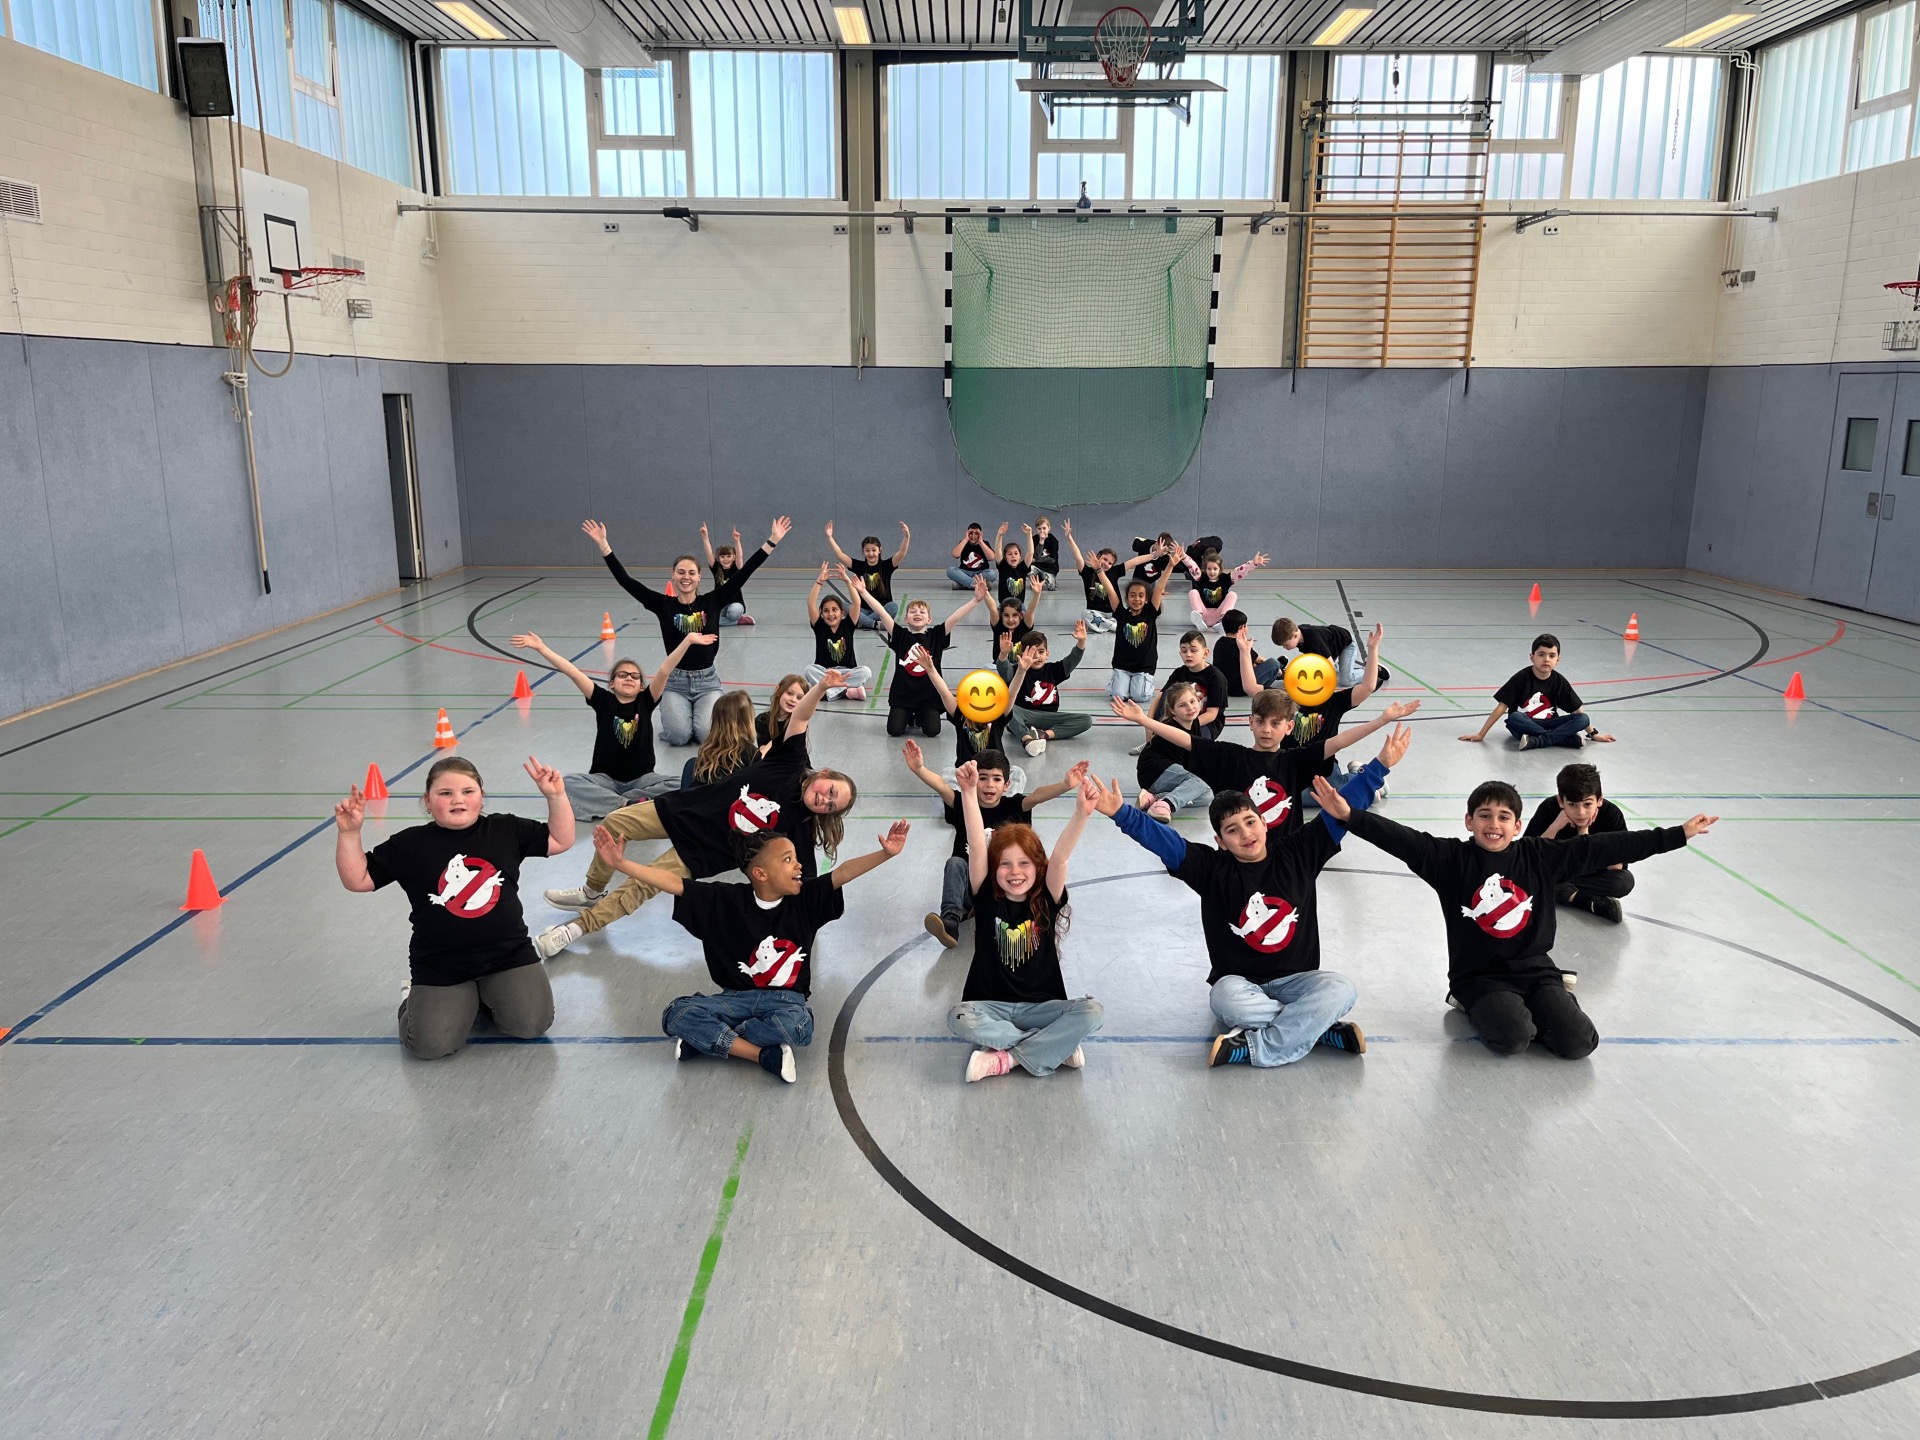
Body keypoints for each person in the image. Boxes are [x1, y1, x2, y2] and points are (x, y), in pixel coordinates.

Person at [1088, 732, 1407, 1068]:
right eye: (1232, 830)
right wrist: (1121, 813)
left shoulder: (1299, 852)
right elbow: (1162, 839)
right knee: (1225, 1000)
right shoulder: (1210, 868)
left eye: (1250, 822)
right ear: (1220, 841)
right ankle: (1316, 1026)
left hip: (1299, 980)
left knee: (1342, 988)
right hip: (1240, 983)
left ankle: (1257, 1047)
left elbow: (1339, 811)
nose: (1245, 834)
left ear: (1264, 823)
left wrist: (1379, 767)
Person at [1340, 782, 1717, 1058]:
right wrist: (1349, 815)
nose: (1494, 824)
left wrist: (1677, 835)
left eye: (1504, 817)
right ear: (1469, 821)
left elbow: (1608, 845)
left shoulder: (1539, 856)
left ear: (1517, 826)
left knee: (1579, 1044)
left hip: (1535, 970)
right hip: (1480, 977)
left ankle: (1550, 1000)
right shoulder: (1449, 859)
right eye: (1485, 815)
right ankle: (1467, 1002)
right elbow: (1400, 838)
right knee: (1513, 1038)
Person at [535, 671, 857, 957]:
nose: (824, 800)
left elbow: (807, 886)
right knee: (616, 821)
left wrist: (806, 923)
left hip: (704, 851)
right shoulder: (790, 761)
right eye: (830, 791)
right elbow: (801, 717)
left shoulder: (799, 828)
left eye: (831, 806)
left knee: (641, 884)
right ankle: (592, 891)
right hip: (685, 810)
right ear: (824, 774)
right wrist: (820, 688)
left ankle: (576, 928)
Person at [591, 820, 910, 1083]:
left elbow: (843, 873)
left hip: (787, 1001)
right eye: (788, 859)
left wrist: (886, 853)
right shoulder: (724, 900)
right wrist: (620, 864)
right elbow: (673, 883)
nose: (799, 864)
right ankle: (760, 1055)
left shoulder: (806, 898)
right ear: (760, 873)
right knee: (677, 1013)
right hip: (734, 999)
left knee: (798, 1025)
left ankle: (713, 1040)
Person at [334, 756, 574, 1060]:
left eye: (467, 791)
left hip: (507, 955)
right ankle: (414, 1002)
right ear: (427, 801)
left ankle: (482, 999)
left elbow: (560, 839)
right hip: (442, 965)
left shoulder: (505, 829)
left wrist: (556, 796)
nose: (457, 799)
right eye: (445, 793)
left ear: (481, 796)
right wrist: (349, 834)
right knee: (430, 1046)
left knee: (531, 1024)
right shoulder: (410, 844)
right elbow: (358, 879)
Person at [946, 760, 1104, 1082]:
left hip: (1042, 1008)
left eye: (1024, 863)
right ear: (994, 869)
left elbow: (1060, 858)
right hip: (989, 1005)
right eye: (1004, 864)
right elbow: (976, 843)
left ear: (1038, 867)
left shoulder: (1047, 898)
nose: (1014, 872)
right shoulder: (986, 896)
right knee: (958, 1017)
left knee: (1092, 1012)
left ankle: (1006, 1059)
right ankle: (1052, 1047)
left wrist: (1081, 814)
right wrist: (968, 792)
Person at [583, 515, 790, 746]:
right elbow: (626, 581)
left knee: (705, 736)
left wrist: (772, 540)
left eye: (691, 573)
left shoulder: (714, 601)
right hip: (675, 682)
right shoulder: (662, 605)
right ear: (673, 575)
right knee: (679, 736)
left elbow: (746, 571)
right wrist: (604, 545)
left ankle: (696, 716)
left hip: (707, 681)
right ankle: (676, 717)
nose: (686, 577)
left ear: (699, 577)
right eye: (681, 572)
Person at [1112, 687, 1421, 835]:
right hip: (1242, 851)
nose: (1267, 730)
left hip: (1287, 852)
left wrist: (1382, 720)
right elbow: (1187, 740)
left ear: (1289, 727)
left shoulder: (1295, 762)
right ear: (1250, 723)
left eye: (1275, 724)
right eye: (1260, 722)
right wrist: (1144, 720)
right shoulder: (1231, 758)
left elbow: (1338, 742)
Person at [509, 628, 712, 821]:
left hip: (643, 780)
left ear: (641, 686)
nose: (629, 678)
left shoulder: (646, 700)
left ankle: (620, 802)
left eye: (635, 676)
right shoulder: (602, 700)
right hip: (605, 780)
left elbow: (665, 670)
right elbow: (573, 673)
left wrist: (687, 641)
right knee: (569, 783)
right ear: (612, 683)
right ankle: (627, 804)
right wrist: (541, 648)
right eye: (622, 675)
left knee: (679, 782)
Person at [904, 740, 1087, 948]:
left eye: (996, 779)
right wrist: (919, 768)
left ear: (1006, 785)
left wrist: (1065, 785)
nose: (989, 784)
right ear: (973, 780)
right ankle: (951, 920)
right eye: (983, 778)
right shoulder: (963, 803)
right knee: (955, 863)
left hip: (1004, 888)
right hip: (973, 888)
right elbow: (941, 786)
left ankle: (1016, 916)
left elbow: (1037, 796)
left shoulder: (1014, 806)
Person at [1249, 623, 1388, 784]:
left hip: (1324, 769)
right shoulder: (1286, 698)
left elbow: (1367, 687)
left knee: (1338, 790)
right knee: (1297, 794)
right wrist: (1245, 651)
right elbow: (1251, 687)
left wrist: (1373, 650)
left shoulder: (1334, 702)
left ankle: (1359, 773)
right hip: (1295, 767)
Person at [861, 578, 991, 738]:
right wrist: (863, 592)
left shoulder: (936, 635)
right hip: (903, 697)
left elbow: (955, 618)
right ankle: (909, 717)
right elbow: (882, 612)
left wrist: (975, 600)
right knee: (894, 731)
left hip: (929, 697)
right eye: (912, 612)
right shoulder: (900, 636)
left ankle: (919, 717)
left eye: (922, 612)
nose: (917, 614)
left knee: (932, 731)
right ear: (906, 619)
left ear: (929, 620)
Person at [1459, 633, 1616, 752]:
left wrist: (1594, 734)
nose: (1546, 659)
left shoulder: (1559, 681)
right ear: (1532, 657)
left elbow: (1576, 710)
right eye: (1541, 655)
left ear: (1558, 660)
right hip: (1524, 725)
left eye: (1551, 656)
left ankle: (1537, 741)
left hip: (1549, 723)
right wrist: (1481, 734)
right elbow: (1502, 707)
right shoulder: (1522, 678)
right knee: (1514, 717)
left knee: (1583, 718)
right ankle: (1564, 740)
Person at [1526, 763, 1635, 923]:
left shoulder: (1611, 814)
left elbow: (1616, 867)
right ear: (1561, 801)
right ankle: (1582, 899)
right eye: (1572, 805)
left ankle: (1562, 892)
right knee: (1527, 875)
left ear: (1599, 800)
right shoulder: (1549, 808)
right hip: (1556, 872)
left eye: (1587, 804)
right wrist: (1555, 826)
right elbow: (1527, 856)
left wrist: (1584, 834)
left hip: (1591, 876)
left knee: (1623, 882)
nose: (1581, 812)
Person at [999, 622, 1091, 759]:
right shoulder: (1018, 670)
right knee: (1007, 708)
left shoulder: (1053, 670)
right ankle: (1027, 739)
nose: (1037, 656)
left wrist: (1081, 642)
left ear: (1047, 654)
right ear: (1022, 654)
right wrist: (1003, 655)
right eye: (1031, 652)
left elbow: (1072, 660)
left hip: (1050, 717)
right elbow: (1004, 672)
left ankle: (1043, 735)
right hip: (1025, 716)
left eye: (1041, 652)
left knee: (1086, 720)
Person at [1099, 547, 1178, 703]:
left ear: (1146, 599)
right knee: (1118, 697)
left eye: (1141, 596)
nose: (1136, 599)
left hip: (1144, 668)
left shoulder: (1151, 613)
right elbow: (1111, 591)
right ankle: (1120, 683)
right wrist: (1098, 571)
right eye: (1132, 595)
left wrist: (1170, 565)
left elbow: (1159, 588)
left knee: (1140, 697)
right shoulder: (1121, 614)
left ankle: (1139, 684)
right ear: (1127, 598)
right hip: (1122, 666)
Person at [1127, 681, 1212, 822]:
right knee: (1203, 779)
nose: (1190, 708)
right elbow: (1190, 765)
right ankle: (1166, 804)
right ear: (1172, 710)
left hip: (1169, 774)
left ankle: (1154, 798)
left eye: (1192, 701)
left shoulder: (1195, 723)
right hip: (1154, 772)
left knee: (1207, 796)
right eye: (1182, 705)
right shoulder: (1171, 728)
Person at [1061, 518, 1143, 634]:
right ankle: (1115, 627)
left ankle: (1110, 624)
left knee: (1129, 613)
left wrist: (1155, 554)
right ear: (1098, 556)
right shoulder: (1087, 572)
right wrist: (1069, 538)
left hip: (1113, 613)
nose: (1106, 564)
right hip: (1096, 614)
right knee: (1086, 614)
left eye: (1110, 563)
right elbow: (1078, 556)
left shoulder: (1114, 572)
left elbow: (1135, 561)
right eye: (1104, 559)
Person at [804, 564, 874, 700]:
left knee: (865, 671)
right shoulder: (820, 627)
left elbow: (856, 603)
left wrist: (847, 580)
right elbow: (811, 603)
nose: (830, 614)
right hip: (826, 673)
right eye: (826, 611)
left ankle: (829, 692)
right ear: (821, 614)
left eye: (834, 610)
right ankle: (846, 691)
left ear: (842, 612)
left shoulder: (848, 625)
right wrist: (819, 581)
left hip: (847, 672)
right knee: (809, 670)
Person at [825, 520, 910, 629]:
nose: (871, 553)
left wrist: (906, 537)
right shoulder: (858, 566)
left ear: (880, 550)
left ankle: (860, 621)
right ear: (863, 551)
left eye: (874, 550)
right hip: (863, 609)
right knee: (840, 604)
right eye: (867, 550)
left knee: (893, 606)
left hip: (881, 609)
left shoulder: (887, 565)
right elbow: (840, 555)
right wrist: (830, 537)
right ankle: (873, 624)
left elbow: (902, 552)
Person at [1272, 617, 1389, 691]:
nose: (1285, 648)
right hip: (1332, 647)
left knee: (1346, 680)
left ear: (1295, 636)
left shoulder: (1314, 640)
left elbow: (1329, 666)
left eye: (1285, 645)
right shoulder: (1299, 635)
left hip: (1346, 645)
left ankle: (1372, 669)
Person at [1151, 630, 1229, 740]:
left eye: (1193, 650)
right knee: (1167, 693)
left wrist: (1184, 727)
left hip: (1204, 724)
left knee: (1189, 744)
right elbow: (1160, 697)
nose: (1188, 654)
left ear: (1205, 653)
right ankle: (1161, 735)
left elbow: (1211, 715)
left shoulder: (1216, 678)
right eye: (1184, 651)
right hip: (1180, 719)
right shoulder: (1179, 673)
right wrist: (1150, 724)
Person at [680, 690, 759, 791]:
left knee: (692, 764)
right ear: (748, 720)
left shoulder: (708, 749)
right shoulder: (751, 753)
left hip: (698, 797)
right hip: (726, 799)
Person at [1183, 549, 1269, 631]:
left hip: (1218, 616)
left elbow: (1240, 571)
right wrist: (1184, 557)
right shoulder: (1201, 578)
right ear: (1205, 569)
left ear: (1220, 569)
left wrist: (1253, 563)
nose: (1212, 572)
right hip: (1203, 616)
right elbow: (1192, 567)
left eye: (1215, 569)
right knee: (1193, 592)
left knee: (1232, 594)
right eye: (1209, 569)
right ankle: (1199, 619)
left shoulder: (1226, 579)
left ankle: (1223, 621)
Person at [1214, 611, 1282, 699]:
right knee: (1274, 664)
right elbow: (1260, 660)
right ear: (1241, 627)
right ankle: (1277, 674)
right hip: (1242, 687)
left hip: (1224, 686)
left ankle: (1278, 669)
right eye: (1246, 625)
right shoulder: (1239, 645)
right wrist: (1278, 669)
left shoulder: (1220, 642)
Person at [698, 523, 756, 625]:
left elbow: (740, 556)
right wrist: (705, 537)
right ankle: (738, 621)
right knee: (713, 618)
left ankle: (723, 620)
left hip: (735, 604)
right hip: (720, 604)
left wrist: (737, 541)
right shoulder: (716, 568)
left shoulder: (737, 569)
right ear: (719, 558)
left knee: (733, 613)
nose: (725, 559)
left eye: (728, 556)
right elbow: (709, 553)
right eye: (722, 556)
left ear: (733, 557)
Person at [989, 578, 1044, 664]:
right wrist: (985, 594)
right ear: (1001, 615)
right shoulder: (998, 626)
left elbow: (1031, 609)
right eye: (1006, 615)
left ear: (1021, 616)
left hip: (1021, 666)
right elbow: (992, 608)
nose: (1010, 620)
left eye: (1015, 615)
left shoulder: (1025, 627)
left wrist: (1037, 594)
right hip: (999, 665)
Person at [757, 674, 807, 749]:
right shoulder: (762, 719)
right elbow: (762, 750)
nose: (793, 700)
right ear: (778, 691)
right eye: (789, 693)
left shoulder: (798, 723)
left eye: (799, 698)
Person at [947, 521, 1000, 590]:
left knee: (992, 574)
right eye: (971, 533)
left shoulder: (985, 543)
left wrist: (980, 542)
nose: (973, 536)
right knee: (951, 570)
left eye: (976, 533)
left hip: (981, 573)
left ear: (980, 534)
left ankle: (962, 584)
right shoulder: (963, 543)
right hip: (964, 572)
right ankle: (976, 584)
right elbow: (955, 554)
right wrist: (966, 539)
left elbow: (991, 557)